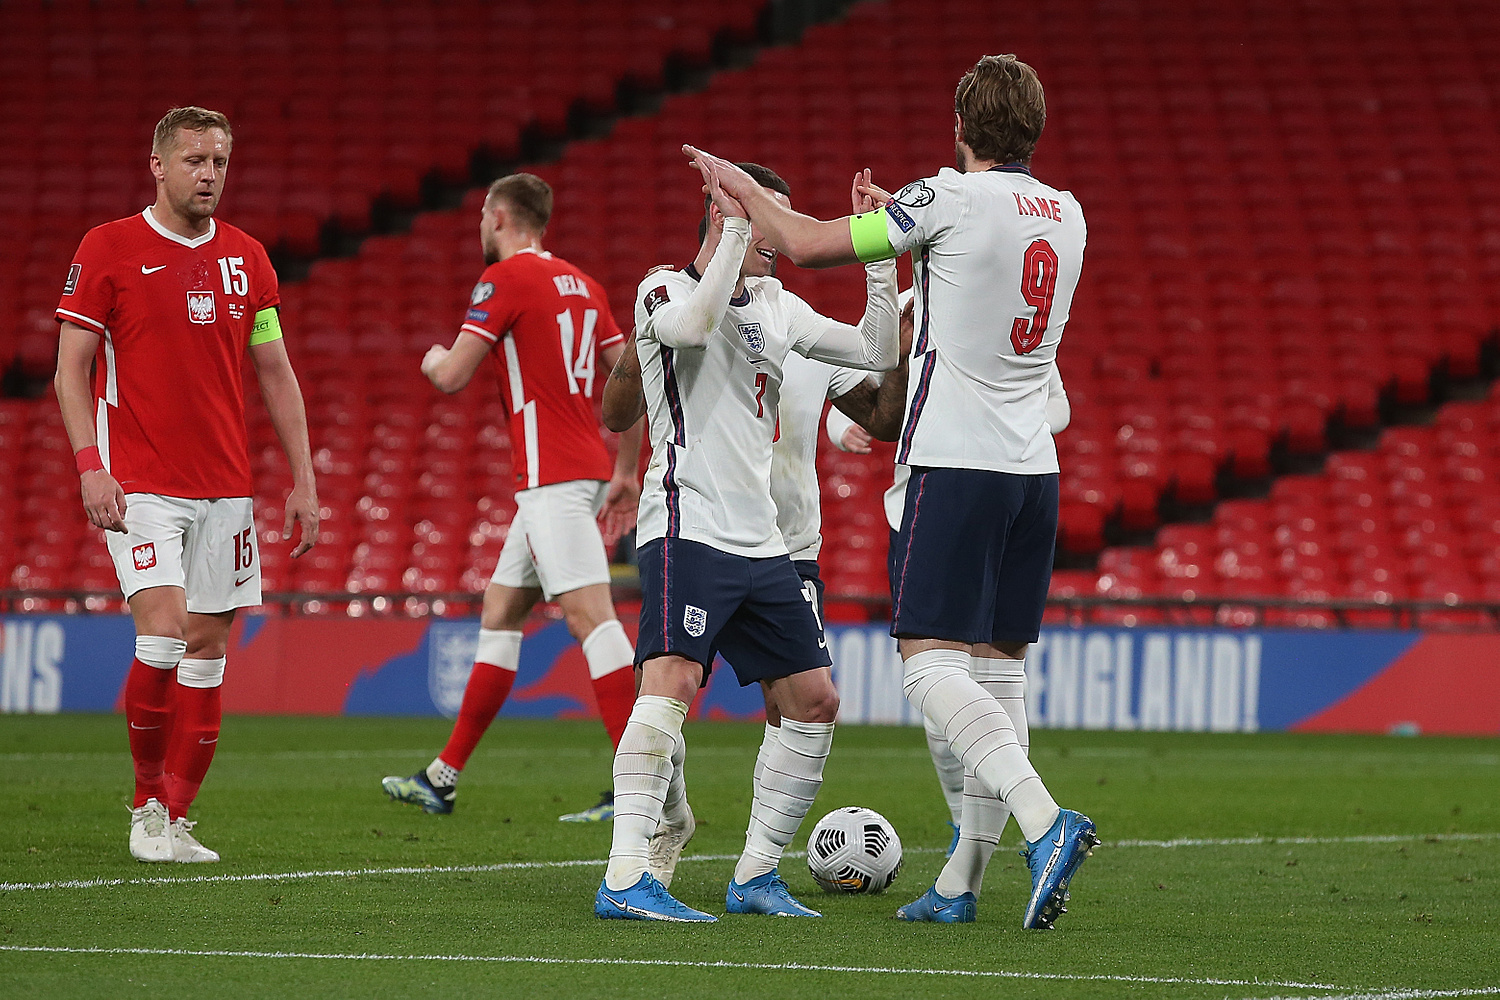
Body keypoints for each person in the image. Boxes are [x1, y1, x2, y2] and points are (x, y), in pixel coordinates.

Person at [685, 53, 1098, 930]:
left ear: (960, 126)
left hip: (956, 460)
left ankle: (1044, 820)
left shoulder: (943, 197)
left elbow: (802, 244)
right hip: (1036, 470)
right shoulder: (1069, 214)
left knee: (929, 665)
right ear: (1036, 129)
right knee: (1000, 671)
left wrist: (737, 190)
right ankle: (963, 882)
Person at [593, 162, 898, 922]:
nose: (779, 234)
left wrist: (883, 259)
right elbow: (695, 326)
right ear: (722, 210)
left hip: (763, 541)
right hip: (685, 522)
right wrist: (734, 227)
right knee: (670, 684)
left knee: (814, 700)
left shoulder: (780, 306)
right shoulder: (659, 290)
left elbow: (875, 350)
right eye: (764, 213)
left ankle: (755, 874)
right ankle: (628, 876)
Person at [53, 106, 320, 863]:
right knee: (164, 633)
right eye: (196, 160)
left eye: (221, 162)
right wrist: (89, 464)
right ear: (159, 165)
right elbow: (71, 369)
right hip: (140, 483)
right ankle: (142, 804)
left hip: (226, 487)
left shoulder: (248, 259)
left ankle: (176, 815)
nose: (210, 174)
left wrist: (304, 480)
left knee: (208, 652)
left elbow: (275, 369)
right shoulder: (108, 248)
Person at [381, 174, 643, 822]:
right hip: (567, 473)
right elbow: (631, 377)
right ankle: (443, 777)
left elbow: (451, 375)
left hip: (552, 475)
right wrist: (628, 468)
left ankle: (644, 786)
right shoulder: (585, 285)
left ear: (499, 217)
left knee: (592, 618)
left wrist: (430, 354)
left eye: (481, 218)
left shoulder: (504, 280)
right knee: (500, 612)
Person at [827, 357, 1070, 860]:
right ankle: (968, 853)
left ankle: (1032, 821)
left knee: (940, 672)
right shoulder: (920, 309)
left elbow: (1057, 405)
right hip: (981, 492)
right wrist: (838, 424)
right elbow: (848, 377)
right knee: (982, 683)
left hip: (959, 487)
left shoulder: (949, 306)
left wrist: (1001, 426)